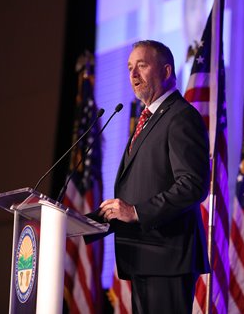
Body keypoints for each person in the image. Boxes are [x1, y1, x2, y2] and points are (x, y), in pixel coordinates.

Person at [89, 40, 210, 313]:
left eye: (141, 66)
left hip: (167, 257)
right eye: (130, 67)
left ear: (166, 72)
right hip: (144, 255)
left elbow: (193, 185)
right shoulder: (149, 119)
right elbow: (140, 186)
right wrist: (82, 224)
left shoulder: (181, 117)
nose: (132, 75)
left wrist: (137, 212)